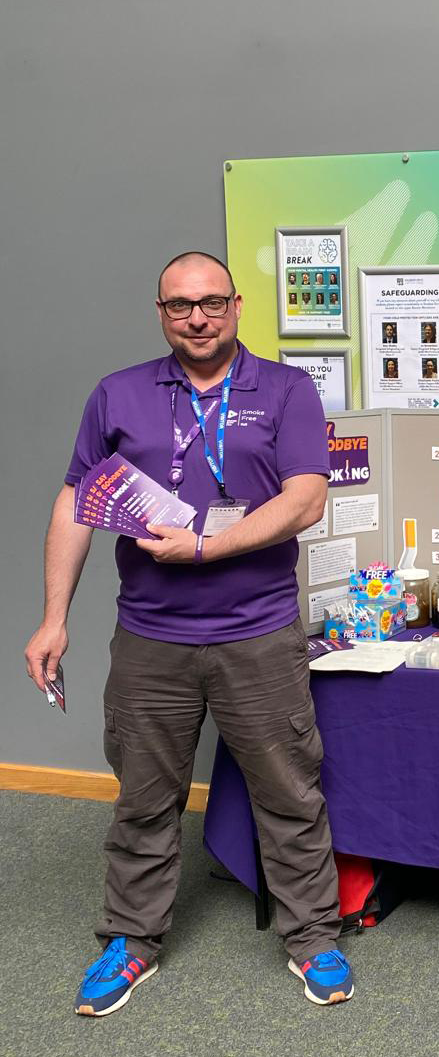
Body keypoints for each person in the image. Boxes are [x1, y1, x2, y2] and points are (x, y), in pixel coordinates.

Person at [24, 251, 355, 1016]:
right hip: (151, 639)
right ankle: (132, 940)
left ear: (236, 306)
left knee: (290, 793)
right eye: (180, 305)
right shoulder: (118, 394)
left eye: (210, 303)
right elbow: (76, 502)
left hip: (258, 633)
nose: (197, 318)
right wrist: (53, 617)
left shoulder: (286, 389)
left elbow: (306, 498)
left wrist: (208, 545)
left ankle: (313, 936)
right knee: (144, 798)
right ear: (161, 312)